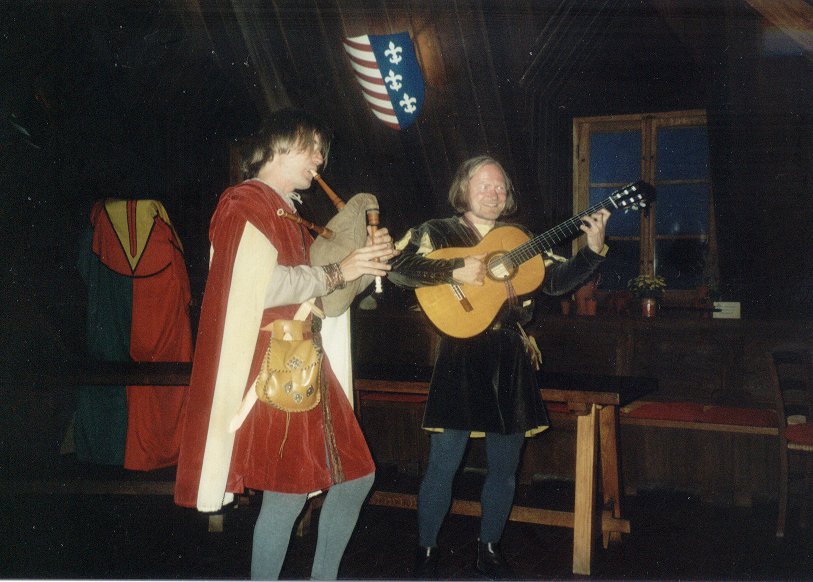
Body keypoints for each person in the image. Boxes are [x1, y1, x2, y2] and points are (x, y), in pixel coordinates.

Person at [174, 108, 396, 580]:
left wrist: (365, 264)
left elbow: (318, 296)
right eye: (311, 148)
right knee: (290, 493)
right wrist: (339, 270)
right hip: (273, 366)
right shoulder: (243, 203)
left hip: (301, 361)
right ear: (277, 146)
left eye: (321, 151)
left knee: (353, 477)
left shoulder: (286, 211)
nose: (319, 160)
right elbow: (258, 288)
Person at [388, 155, 611, 579]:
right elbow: (398, 268)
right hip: (459, 356)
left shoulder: (519, 237)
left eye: (500, 187)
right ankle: (426, 551)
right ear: (463, 189)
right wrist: (453, 268)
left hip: (509, 358)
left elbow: (554, 281)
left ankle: (489, 550)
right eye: (484, 185)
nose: (493, 193)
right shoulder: (436, 231)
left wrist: (593, 250)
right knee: (443, 463)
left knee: (506, 467)